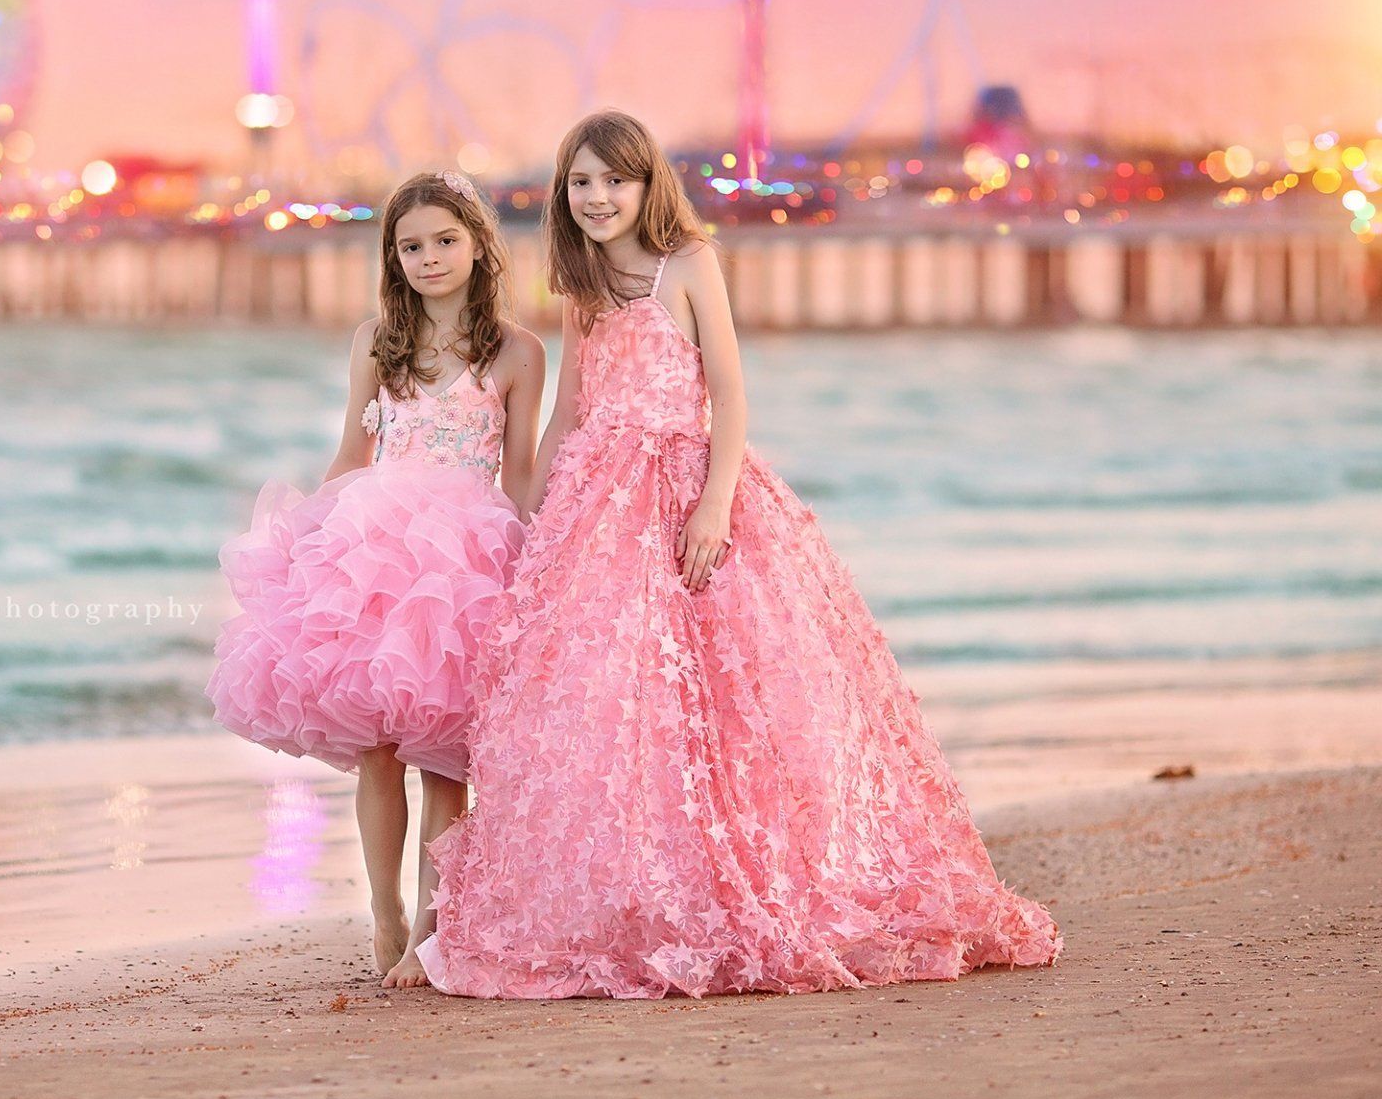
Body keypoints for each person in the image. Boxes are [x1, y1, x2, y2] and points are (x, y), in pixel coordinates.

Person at [416, 110, 1061, 998]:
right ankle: (636, 885)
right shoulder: (584, 280)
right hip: (601, 502)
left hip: (686, 484)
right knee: (614, 701)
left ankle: (748, 874)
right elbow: (570, 406)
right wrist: (521, 514)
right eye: (581, 183)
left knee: (724, 692)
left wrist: (714, 502)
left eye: (615, 180)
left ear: (648, 185)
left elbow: (727, 386)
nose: (599, 198)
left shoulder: (690, 262)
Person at [208, 168, 546, 985]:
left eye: (444, 241)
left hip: (466, 558)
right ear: (393, 258)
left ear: (477, 245)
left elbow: (523, 472)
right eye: (411, 246)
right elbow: (351, 455)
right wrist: (309, 537)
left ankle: (431, 930)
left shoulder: (518, 350)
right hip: (378, 546)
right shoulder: (375, 340)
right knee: (379, 748)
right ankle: (384, 910)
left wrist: (546, 556)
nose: (428, 258)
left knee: (446, 756)